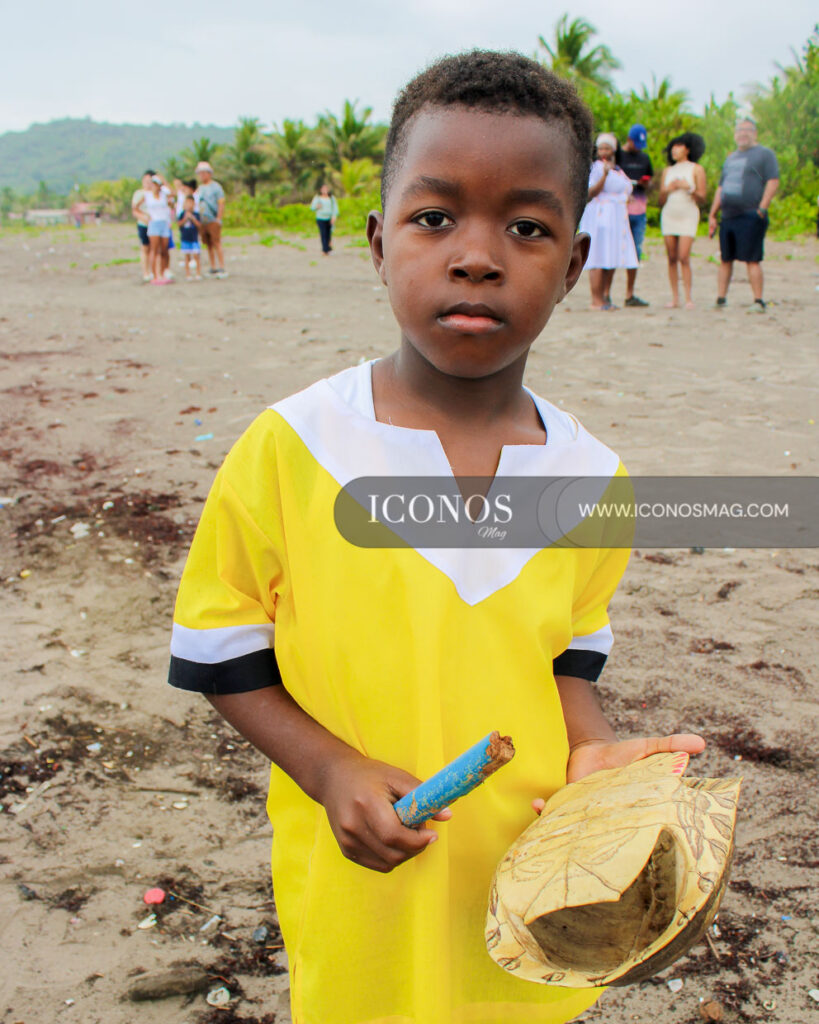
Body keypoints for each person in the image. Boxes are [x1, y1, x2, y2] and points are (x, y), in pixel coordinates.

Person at [168, 51, 704, 1024]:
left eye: (528, 226)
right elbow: (223, 651)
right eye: (435, 217)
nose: (477, 254)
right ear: (378, 241)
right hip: (362, 888)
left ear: (576, 261)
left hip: (532, 884)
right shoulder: (293, 449)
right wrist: (330, 769)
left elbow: (567, 659)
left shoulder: (592, 478)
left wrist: (591, 754)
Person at [708, 119, 779, 311]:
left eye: (747, 130)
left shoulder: (765, 154)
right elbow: (721, 187)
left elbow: (773, 181)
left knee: (752, 258)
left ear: (755, 133)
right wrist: (713, 213)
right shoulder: (730, 158)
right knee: (725, 258)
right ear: (735, 134)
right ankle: (721, 299)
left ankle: (758, 300)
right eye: (740, 130)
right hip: (728, 215)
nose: (743, 134)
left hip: (751, 214)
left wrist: (762, 208)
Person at [578, 133, 638, 310]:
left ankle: (606, 296)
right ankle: (596, 300)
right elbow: (589, 193)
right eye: (601, 148)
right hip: (599, 218)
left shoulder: (618, 169)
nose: (604, 151)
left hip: (616, 219)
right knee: (597, 255)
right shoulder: (595, 168)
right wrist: (604, 176)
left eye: (607, 148)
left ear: (614, 149)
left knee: (610, 256)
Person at [659, 132, 707, 309]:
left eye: (678, 146)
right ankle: (675, 297)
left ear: (687, 149)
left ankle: (688, 297)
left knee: (683, 256)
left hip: (687, 214)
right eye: (673, 146)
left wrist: (689, 188)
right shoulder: (668, 171)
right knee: (671, 257)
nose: (674, 150)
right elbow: (660, 200)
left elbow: (702, 197)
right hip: (670, 213)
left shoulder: (696, 169)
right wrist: (668, 189)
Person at [615, 124, 654, 306]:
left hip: (639, 209)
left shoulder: (644, 158)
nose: (638, 147)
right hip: (618, 210)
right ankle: (606, 293)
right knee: (613, 250)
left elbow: (650, 180)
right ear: (629, 139)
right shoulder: (618, 156)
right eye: (636, 143)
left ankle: (629, 294)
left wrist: (645, 183)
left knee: (636, 251)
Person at [136, 174, 174, 284]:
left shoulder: (164, 195)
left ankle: (162, 274)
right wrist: (145, 216)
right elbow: (136, 207)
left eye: (158, 185)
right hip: (154, 223)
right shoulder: (147, 195)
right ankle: (154, 275)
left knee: (164, 250)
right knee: (154, 250)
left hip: (164, 223)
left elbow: (173, 194)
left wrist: (165, 181)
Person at [196, 161, 227, 278]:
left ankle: (222, 266)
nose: (202, 175)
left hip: (213, 219)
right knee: (208, 244)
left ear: (209, 173)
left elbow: (221, 202)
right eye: (200, 173)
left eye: (204, 173)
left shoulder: (216, 187)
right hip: (203, 220)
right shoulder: (200, 188)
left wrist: (219, 218)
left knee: (216, 242)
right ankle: (213, 266)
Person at [131, 170, 154, 282]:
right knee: (145, 248)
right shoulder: (139, 193)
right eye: (146, 181)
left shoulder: (156, 193)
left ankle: (153, 271)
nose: (148, 183)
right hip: (143, 224)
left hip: (155, 224)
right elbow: (134, 210)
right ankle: (146, 272)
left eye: (150, 181)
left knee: (154, 249)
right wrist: (143, 218)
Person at [177, 195, 202, 281]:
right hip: (185, 238)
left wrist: (192, 218)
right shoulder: (182, 214)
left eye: (190, 203)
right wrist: (185, 219)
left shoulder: (196, 214)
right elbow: (178, 224)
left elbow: (199, 225)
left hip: (194, 238)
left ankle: (198, 273)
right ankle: (188, 274)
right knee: (187, 257)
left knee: (196, 256)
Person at [310, 184, 339, 254]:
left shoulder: (332, 198)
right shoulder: (317, 198)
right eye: (323, 189)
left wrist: (334, 216)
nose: (325, 190)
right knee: (323, 233)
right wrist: (317, 206)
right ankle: (324, 250)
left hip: (329, 218)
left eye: (326, 189)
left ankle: (328, 248)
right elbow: (312, 207)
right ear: (321, 190)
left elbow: (335, 208)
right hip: (320, 218)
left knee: (328, 234)